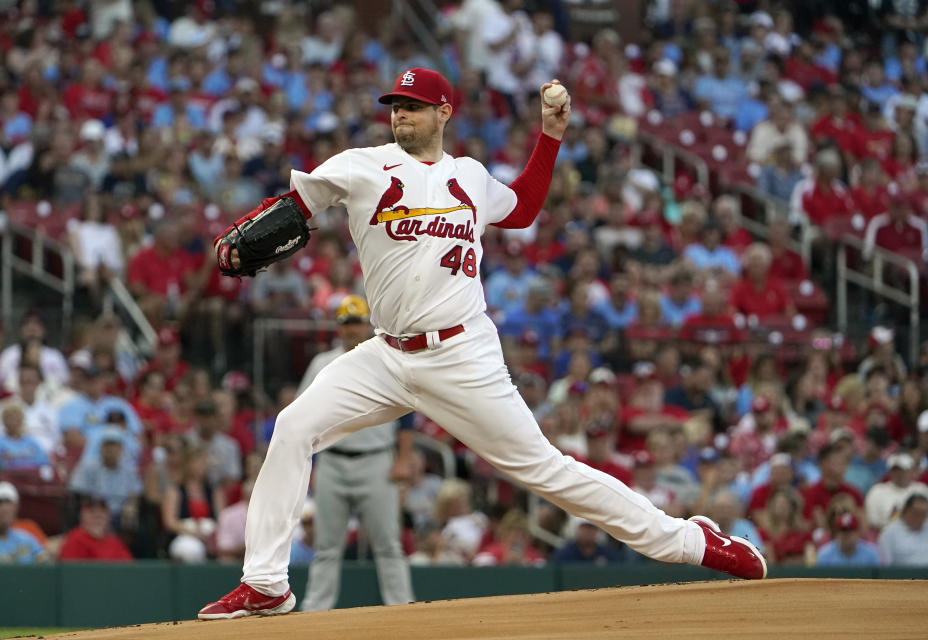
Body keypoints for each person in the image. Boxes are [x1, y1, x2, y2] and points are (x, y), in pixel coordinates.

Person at [198, 68, 766, 621]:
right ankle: (266, 583)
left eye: (413, 106)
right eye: (396, 105)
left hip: (461, 354)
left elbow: (522, 208)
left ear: (444, 113)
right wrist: (249, 231)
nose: (400, 113)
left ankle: (691, 543)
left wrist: (550, 138)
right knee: (294, 427)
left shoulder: (469, 175)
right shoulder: (362, 166)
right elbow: (295, 207)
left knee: (547, 469)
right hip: (386, 354)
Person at [300, 294, 415, 611]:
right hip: (333, 461)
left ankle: (403, 609)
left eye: (357, 322)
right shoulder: (322, 363)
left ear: (369, 324)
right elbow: (304, 414)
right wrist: (311, 464)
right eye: (346, 323)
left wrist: (403, 458)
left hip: (377, 460)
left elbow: (408, 413)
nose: (352, 328)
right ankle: (314, 612)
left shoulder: (387, 359)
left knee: (389, 544)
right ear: (339, 328)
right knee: (326, 546)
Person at [0, 481, 46, 564]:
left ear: (15, 509)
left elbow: (45, 563)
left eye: (7, 503)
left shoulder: (26, 538)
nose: (3, 508)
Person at [57, 494, 133, 562]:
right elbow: (70, 573)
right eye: (92, 512)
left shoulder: (114, 542)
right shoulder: (75, 539)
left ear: (109, 517)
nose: (97, 516)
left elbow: (129, 571)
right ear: (81, 516)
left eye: (102, 512)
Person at [878, 492, 928, 566]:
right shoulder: (889, 533)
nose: (920, 518)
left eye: (924, 514)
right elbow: (886, 566)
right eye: (917, 514)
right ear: (905, 511)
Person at [815, 512, 880, 566]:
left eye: (850, 531)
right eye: (843, 531)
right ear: (836, 534)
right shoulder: (825, 555)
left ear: (857, 533)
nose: (846, 535)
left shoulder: (870, 554)